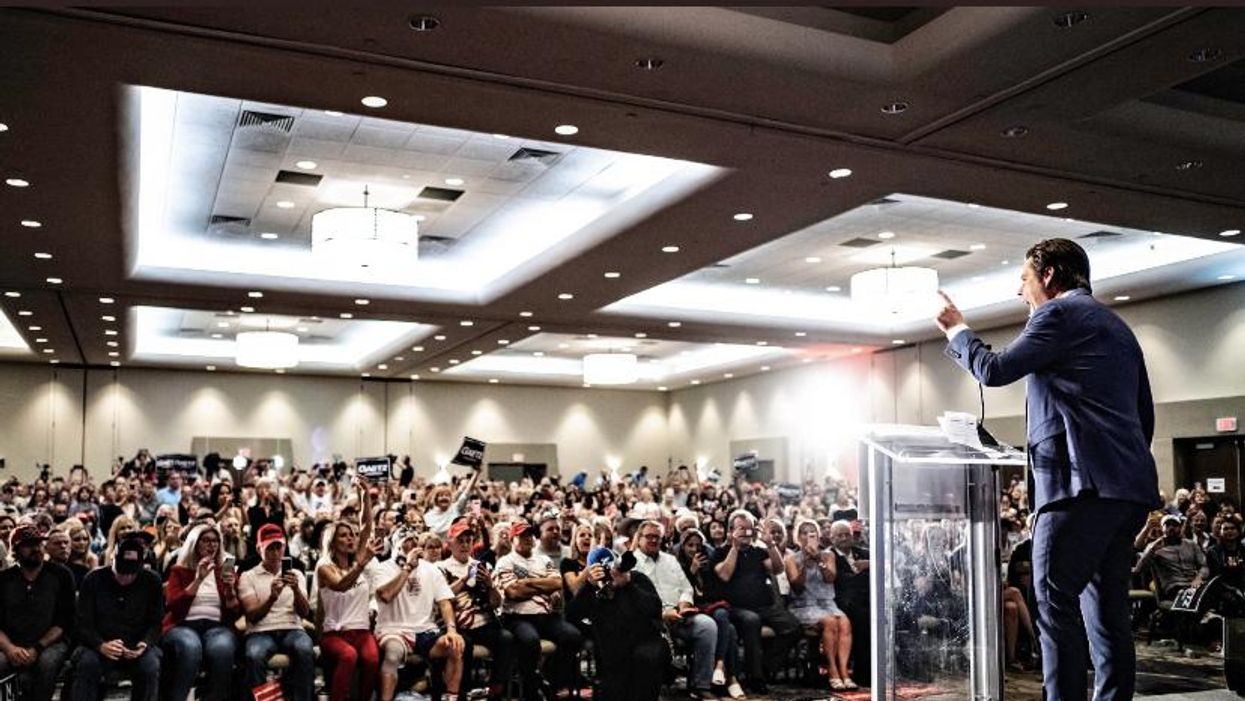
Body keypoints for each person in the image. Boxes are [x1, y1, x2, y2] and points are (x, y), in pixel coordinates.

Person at [936, 237, 1161, 701]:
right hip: (1127, 489)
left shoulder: (1058, 314)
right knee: (1108, 613)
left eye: (1024, 279)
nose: (1021, 292)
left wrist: (958, 332)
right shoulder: (1117, 327)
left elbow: (995, 370)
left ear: (1050, 275)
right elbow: (1145, 414)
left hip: (1078, 489)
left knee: (1055, 605)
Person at [630, 520, 723, 699]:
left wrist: (684, 604)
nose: (654, 540)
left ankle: (700, 684)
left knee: (707, 625)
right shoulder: (631, 563)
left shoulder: (670, 560)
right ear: (639, 538)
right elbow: (633, 600)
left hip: (679, 615)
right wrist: (662, 614)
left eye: (657, 537)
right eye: (649, 536)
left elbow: (687, 588)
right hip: (651, 621)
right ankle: (655, 686)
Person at [371, 526, 466, 701]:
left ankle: (450, 698)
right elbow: (385, 595)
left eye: (415, 542)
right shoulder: (383, 568)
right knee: (392, 654)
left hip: (425, 630)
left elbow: (444, 602)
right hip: (393, 629)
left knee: (455, 646)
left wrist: (452, 629)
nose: (413, 546)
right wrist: (407, 568)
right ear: (397, 547)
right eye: (407, 543)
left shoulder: (431, 569)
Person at [496, 519, 584, 701]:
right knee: (530, 640)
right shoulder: (505, 561)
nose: (528, 538)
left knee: (573, 636)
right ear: (513, 539)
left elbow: (557, 583)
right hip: (518, 616)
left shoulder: (544, 559)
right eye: (522, 535)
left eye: (530, 535)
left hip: (547, 615)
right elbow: (513, 592)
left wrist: (527, 582)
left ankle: (553, 682)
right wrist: (543, 585)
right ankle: (531, 687)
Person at [713, 510, 800, 693]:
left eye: (750, 529)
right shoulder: (720, 552)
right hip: (735, 608)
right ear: (730, 531)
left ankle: (766, 666)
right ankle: (756, 677)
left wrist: (770, 544)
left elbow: (778, 568)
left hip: (765, 606)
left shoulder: (758, 552)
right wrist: (735, 548)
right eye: (741, 529)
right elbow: (725, 574)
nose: (746, 533)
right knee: (752, 621)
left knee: (793, 626)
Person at [72, 532, 164, 701]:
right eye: (122, 573)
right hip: (99, 642)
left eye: (131, 574)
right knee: (87, 663)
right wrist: (100, 645)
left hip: (137, 643)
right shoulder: (93, 579)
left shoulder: (152, 581)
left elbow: (156, 623)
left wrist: (144, 644)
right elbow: (83, 623)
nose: (126, 578)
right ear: (113, 558)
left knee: (150, 666)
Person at [573, 547, 669, 701]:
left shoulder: (637, 578)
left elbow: (654, 609)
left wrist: (628, 585)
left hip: (645, 639)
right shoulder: (592, 588)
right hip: (611, 647)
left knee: (646, 659)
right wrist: (590, 586)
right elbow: (573, 615)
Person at [316, 489, 383, 701]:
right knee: (348, 655)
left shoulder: (357, 561)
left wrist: (364, 495)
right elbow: (341, 585)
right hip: (334, 634)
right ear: (333, 543)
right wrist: (362, 564)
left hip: (361, 631)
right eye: (344, 536)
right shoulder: (325, 568)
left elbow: (366, 527)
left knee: (372, 659)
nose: (351, 539)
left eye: (352, 535)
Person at [161, 523, 240, 701]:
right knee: (190, 646)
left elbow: (235, 612)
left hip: (217, 626)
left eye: (215, 541)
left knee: (223, 647)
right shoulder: (179, 571)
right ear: (195, 543)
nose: (211, 545)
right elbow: (173, 606)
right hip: (183, 625)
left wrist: (230, 591)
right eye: (206, 541)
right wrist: (198, 580)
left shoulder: (225, 570)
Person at [440, 518, 516, 701]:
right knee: (462, 645)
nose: (465, 544)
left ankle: (495, 690)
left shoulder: (484, 566)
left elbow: (497, 603)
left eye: (469, 540)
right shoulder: (440, 568)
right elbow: (441, 598)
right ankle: (462, 693)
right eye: (460, 540)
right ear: (450, 543)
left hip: (483, 621)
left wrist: (490, 586)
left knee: (507, 639)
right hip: (456, 624)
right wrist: (465, 579)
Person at [238, 523, 315, 701]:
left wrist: (296, 590)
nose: (275, 553)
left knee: (305, 649)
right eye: (269, 548)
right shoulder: (248, 576)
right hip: (260, 630)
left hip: (292, 628)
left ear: (284, 548)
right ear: (259, 550)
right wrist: (272, 598)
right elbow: (252, 616)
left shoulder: (296, 574)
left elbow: (304, 613)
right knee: (254, 655)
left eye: (278, 547)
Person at [0, 525, 75, 701]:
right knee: (1, 663)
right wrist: (9, 648)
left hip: (50, 642)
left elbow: (64, 620)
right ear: (16, 550)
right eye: (28, 545)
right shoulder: (3, 580)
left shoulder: (61, 575)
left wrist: (37, 648)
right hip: (11, 643)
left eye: (39, 544)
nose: (36, 549)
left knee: (47, 662)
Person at [785, 519, 854, 691]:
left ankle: (844, 672)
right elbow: (797, 588)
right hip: (803, 605)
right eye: (804, 533)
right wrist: (805, 565)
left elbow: (830, 578)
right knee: (830, 622)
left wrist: (818, 560)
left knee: (845, 622)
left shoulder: (828, 555)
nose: (808, 536)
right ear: (798, 538)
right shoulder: (791, 559)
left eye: (812, 533)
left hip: (827, 603)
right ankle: (832, 671)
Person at [828, 521, 871, 689]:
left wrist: (869, 565)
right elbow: (843, 581)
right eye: (840, 535)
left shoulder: (864, 553)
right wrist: (864, 573)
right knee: (863, 618)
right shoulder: (829, 555)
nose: (844, 538)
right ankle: (863, 673)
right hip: (843, 602)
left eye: (847, 534)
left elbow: (884, 566)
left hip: (867, 599)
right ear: (832, 538)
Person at [1133, 514, 1206, 601]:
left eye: (1175, 525)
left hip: (1195, 584)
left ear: (1180, 527)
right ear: (1162, 528)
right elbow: (1139, 570)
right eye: (1167, 525)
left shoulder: (1191, 544)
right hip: (1174, 587)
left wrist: (1199, 577)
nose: (1171, 527)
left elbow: (1204, 566)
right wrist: (1151, 551)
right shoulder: (1154, 546)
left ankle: (1210, 613)